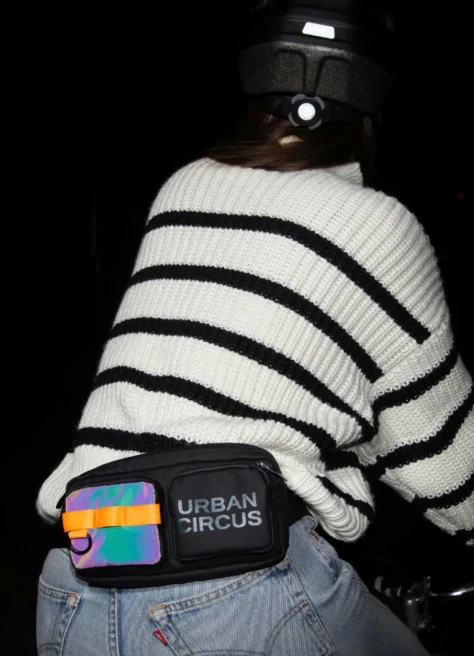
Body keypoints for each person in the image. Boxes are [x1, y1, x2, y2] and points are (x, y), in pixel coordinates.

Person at [35, 1, 473, 654]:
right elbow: (441, 457)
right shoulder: (378, 224)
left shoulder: (184, 188)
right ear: (374, 98)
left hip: (74, 593)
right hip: (237, 593)